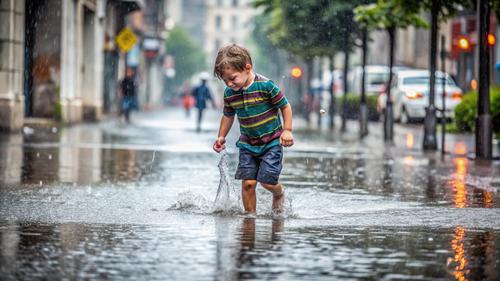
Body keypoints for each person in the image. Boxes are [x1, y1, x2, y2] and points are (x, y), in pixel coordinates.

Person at [212, 44, 294, 215]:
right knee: (248, 183)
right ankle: (250, 219)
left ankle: (279, 193)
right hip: (247, 144)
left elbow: (285, 106)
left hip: (271, 142)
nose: (229, 83)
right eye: (225, 80)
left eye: (232, 78)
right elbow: (228, 115)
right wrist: (221, 136)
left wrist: (287, 130)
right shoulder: (230, 93)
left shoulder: (266, 86)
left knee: (267, 183)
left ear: (247, 68)